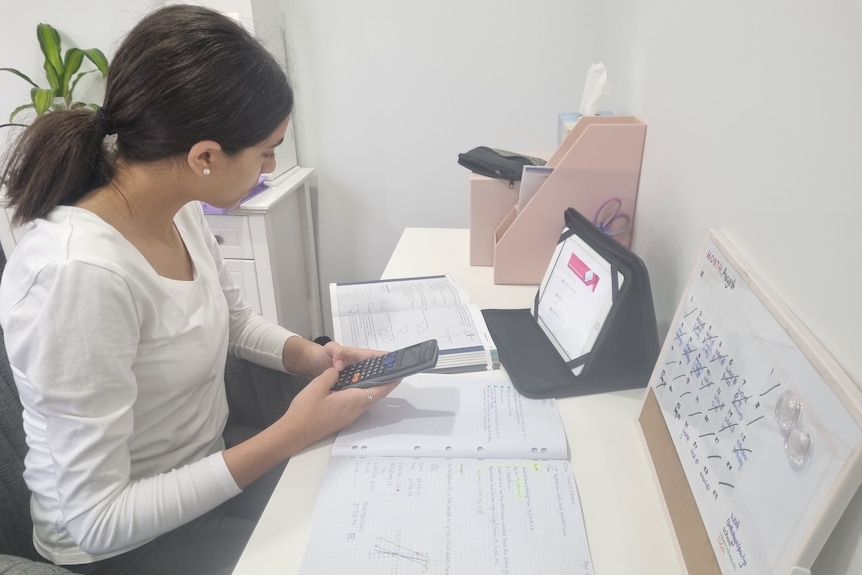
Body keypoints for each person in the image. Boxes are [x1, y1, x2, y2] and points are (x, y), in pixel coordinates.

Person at [0, 5, 398, 574]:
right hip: (122, 548)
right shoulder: (79, 276)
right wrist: (290, 434)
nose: (270, 165)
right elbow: (95, 518)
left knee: (365, 500)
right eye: (265, 150)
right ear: (204, 156)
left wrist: (316, 356)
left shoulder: (176, 207)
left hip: (202, 474)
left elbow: (232, 320)